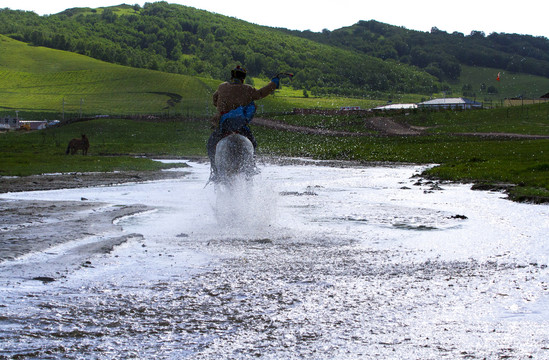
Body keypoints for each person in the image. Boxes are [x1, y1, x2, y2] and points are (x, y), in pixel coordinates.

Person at [207, 65, 280, 180]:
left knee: (211, 144)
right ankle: (251, 167)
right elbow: (261, 94)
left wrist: (221, 106)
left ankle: (215, 172)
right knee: (253, 143)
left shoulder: (221, 87)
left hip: (224, 126)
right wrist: (274, 84)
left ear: (232, 77)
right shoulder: (248, 89)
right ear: (243, 78)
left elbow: (214, 99)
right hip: (240, 127)